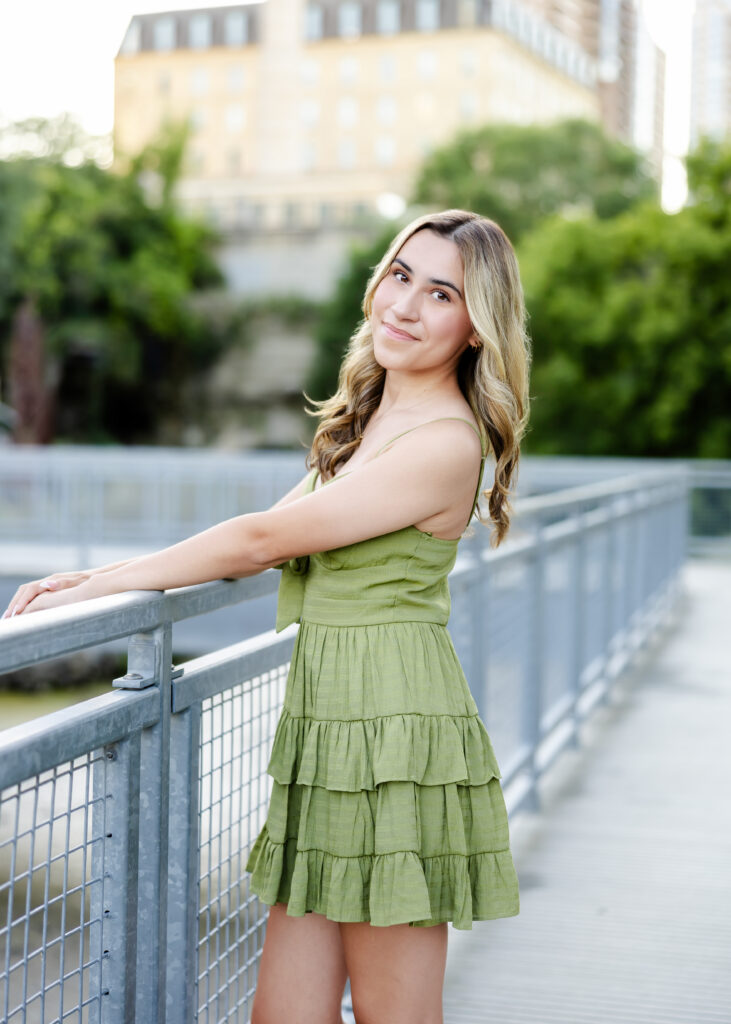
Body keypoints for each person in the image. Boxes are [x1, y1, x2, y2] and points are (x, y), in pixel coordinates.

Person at [3, 209, 531, 1024]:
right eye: (400, 276)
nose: (405, 306)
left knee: (394, 1016)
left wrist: (92, 595)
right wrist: (104, 574)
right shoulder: (370, 423)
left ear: (473, 328)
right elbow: (267, 534)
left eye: (440, 294)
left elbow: (260, 539)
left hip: (394, 736)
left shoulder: (443, 443)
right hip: (329, 731)